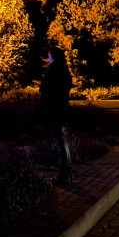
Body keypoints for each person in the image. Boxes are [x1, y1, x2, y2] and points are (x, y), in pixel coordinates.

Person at [40, 45, 73, 184]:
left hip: (55, 110)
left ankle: (64, 175)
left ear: (52, 56)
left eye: (49, 55)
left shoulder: (53, 70)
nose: (48, 58)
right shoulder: (65, 69)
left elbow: (47, 90)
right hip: (63, 109)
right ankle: (67, 173)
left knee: (61, 142)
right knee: (63, 141)